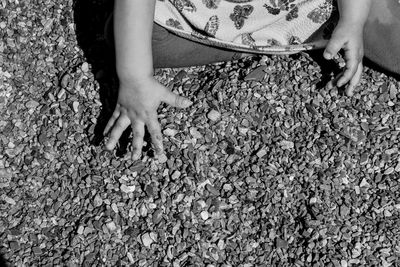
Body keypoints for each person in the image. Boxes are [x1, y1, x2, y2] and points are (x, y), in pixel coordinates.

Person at [103, 0, 399, 160]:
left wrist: (354, 18)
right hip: (212, 10)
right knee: (133, 40)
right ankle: (247, 41)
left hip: (313, 7)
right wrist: (135, 78)